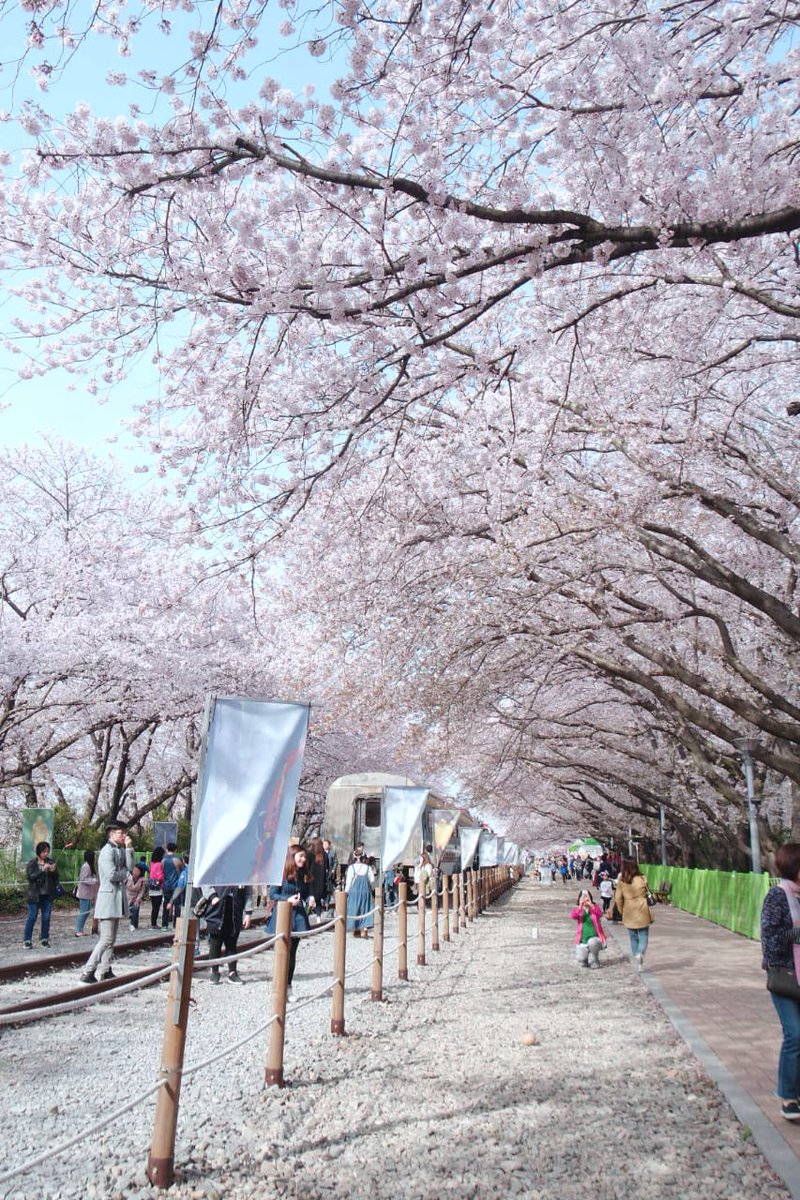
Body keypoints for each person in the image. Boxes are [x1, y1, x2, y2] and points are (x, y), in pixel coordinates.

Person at [760, 842, 800, 1121]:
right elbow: (770, 940)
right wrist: (796, 933)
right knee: (795, 1035)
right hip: (785, 976)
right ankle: (788, 1096)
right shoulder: (777, 896)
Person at [80, 820, 134, 983]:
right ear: (112, 833)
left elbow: (130, 867)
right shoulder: (106, 851)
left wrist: (129, 848)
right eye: (121, 832)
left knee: (111, 939)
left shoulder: (120, 849)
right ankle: (88, 971)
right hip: (108, 899)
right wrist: (125, 873)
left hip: (116, 900)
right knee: (106, 939)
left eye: (125, 832)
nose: (124, 835)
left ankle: (105, 970)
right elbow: (112, 875)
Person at [266, 845, 314, 1000]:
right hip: (282, 915)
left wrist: (310, 898)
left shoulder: (303, 874)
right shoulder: (281, 873)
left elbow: (306, 893)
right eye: (300, 856)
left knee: (292, 954)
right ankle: (278, 986)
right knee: (281, 952)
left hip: (298, 916)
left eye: (304, 856)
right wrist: (287, 899)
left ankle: (288, 986)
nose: (303, 859)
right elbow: (273, 894)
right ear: (292, 856)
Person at [203, 885, 253, 984]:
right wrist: (212, 896)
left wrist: (248, 913)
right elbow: (205, 883)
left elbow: (248, 892)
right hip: (216, 909)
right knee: (215, 943)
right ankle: (214, 972)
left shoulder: (243, 872)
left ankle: (232, 972)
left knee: (232, 943)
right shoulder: (216, 869)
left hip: (235, 909)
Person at [613, 858, 654, 970]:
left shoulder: (622, 881)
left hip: (629, 909)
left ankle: (638, 960)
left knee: (633, 937)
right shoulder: (642, 878)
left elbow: (618, 899)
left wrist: (622, 911)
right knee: (644, 935)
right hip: (642, 908)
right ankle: (640, 953)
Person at [24, 841, 60, 948]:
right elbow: (31, 877)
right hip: (34, 895)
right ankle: (27, 940)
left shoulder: (50, 861)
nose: (46, 854)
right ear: (39, 852)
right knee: (32, 917)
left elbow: (56, 877)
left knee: (46, 917)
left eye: (47, 852)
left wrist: (53, 871)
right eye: (44, 851)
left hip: (47, 894)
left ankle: (44, 939)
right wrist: (42, 870)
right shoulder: (32, 863)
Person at [570, 889, 607, 969]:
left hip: (595, 937)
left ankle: (595, 960)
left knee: (592, 942)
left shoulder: (594, 907)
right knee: (581, 958)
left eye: (587, 897)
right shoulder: (579, 909)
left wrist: (592, 906)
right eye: (583, 897)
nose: (585, 899)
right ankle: (585, 960)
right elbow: (573, 916)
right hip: (583, 938)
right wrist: (580, 906)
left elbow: (600, 914)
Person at [346, 852, 375, 937]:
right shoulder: (367, 868)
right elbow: (372, 880)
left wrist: (346, 892)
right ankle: (365, 928)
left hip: (354, 892)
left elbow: (349, 882)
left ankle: (355, 928)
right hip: (365, 891)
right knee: (365, 909)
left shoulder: (351, 868)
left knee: (354, 909)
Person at [74, 850, 98, 937]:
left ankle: (80, 929)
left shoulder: (89, 866)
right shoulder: (86, 867)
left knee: (87, 911)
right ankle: (78, 929)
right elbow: (83, 879)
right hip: (84, 893)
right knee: (83, 911)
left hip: (87, 894)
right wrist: (93, 880)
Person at [161, 843, 182, 928]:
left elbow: (163, 871)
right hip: (176, 886)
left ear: (167, 849)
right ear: (175, 850)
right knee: (177, 906)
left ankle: (164, 925)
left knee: (166, 904)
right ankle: (175, 925)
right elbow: (179, 873)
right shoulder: (177, 860)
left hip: (166, 885)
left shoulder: (163, 860)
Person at [307, 837, 328, 922]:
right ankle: (318, 917)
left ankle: (306, 916)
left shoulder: (309, 854)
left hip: (311, 879)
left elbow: (307, 867)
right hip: (320, 881)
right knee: (318, 900)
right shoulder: (324, 855)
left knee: (309, 899)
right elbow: (327, 867)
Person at [126, 863, 147, 931]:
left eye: (137, 871)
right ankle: (134, 923)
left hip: (136, 897)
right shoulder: (128, 877)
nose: (135, 872)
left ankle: (133, 924)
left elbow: (142, 891)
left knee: (136, 907)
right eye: (134, 870)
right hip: (126, 896)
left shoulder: (142, 880)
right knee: (130, 911)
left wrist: (138, 899)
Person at [148, 846, 165, 927]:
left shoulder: (152, 864)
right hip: (158, 887)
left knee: (153, 906)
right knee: (156, 907)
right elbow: (161, 876)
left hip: (151, 886)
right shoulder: (160, 864)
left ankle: (153, 922)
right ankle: (154, 924)